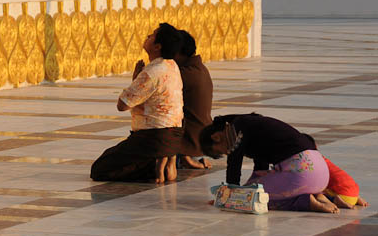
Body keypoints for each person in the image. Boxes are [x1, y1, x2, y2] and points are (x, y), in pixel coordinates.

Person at [91, 23, 184, 184]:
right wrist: (137, 80)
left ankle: (153, 166)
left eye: (153, 35)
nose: (148, 36)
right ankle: (166, 160)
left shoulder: (151, 72)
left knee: (100, 168)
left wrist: (136, 81)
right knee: (115, 156)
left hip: (153, 137)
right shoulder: (171, 65)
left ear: (157, 46)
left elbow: (123, 105)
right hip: (174, 136)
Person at [200, 113, 337, 213]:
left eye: (222, 152)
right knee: (254, 191)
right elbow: (261, 169)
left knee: (255, 200)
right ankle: (323, 197)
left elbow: (234, 165)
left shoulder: (236, 130)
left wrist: (230, 196)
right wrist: (242, 189)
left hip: (301, 172)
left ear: (216, 137)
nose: (227, 153)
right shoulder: (251, 125)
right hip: (320, 173)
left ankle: (306, 202)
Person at [175, 30, 213, 169]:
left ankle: (185, 157)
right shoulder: (198, 69)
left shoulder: (184, 74)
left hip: (189, 144)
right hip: (199, 142)